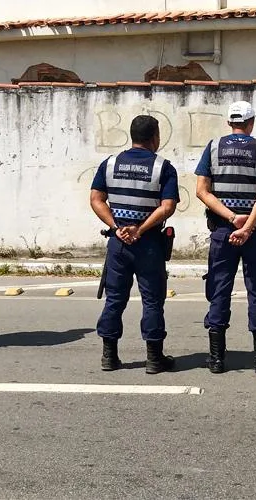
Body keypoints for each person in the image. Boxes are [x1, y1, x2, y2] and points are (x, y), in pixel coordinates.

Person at [195, 101, 256, 375]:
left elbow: (202, 191)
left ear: (229, 122)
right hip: (253, 232)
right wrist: (247, 226)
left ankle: (217, 359)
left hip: (223, 230)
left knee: (219, 288)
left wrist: (232, 219)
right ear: (251, 122)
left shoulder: (213, 147)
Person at [90, 115, 179, 374]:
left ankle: (109, 356)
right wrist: (140, 229)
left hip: (118, 244)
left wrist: (117, 228)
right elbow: (168, 207)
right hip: (148, 243)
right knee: (152, 300)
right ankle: (154, 358)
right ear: (155, 137)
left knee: (115, 299)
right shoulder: (163, 167)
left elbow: (96, 199)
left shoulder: (110, 163)